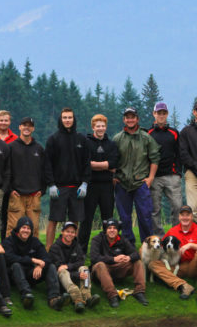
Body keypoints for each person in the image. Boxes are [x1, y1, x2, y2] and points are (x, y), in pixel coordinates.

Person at [44, 108, 91, 250]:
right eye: (64, 117)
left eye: (70, 117)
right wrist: (51, 184)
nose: (67, 120)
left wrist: (85, 183)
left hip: (77, 188)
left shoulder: (82, 139)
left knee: (74, 221)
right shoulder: (53, 139)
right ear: (61, 119)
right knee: (53, 220)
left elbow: (86, 163)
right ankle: (49, 250)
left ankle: (73, 251)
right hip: (59, 188)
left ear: (73, 119)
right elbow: (47, 164)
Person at [149, 205, 197, 306]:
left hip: (195, 266)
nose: (185, 217)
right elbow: (162, 246)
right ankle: (183, 286)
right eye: (182, 215)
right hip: (177, 266)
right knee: (153, 264)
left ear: (192, 216)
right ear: (179, 217)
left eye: (187, 215)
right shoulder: (172, 231)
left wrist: (191, 245)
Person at [112, 107, 160, 245]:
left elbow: (155, 158)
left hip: (141, 183)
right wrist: (114, 176)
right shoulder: (117, 138)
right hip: (122, 184)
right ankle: (129, 248)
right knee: (124, 218)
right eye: (127, 117)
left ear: (137, 119)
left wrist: (150, 178)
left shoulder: (146, 138)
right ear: (124, 119)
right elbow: (113, 159)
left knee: (145, 217)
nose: (130, 119)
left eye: (132, 117)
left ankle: (148, 247)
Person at [2, 216, 67, 310]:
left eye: (28, 228)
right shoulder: (9, 241)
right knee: (16, 265)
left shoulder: (34, 241)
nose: (26, 230)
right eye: (23, 227)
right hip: (14, 275)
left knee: (51, 266)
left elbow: (47, 258)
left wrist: (40, 266)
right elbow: (9, 257)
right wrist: (32, 260)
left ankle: (54, 299)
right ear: (18, 229)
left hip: (31, 274)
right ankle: (26, 296)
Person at [80, 114, 120, 253]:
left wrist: (93, 164)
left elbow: (114, 163)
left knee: (108, 220)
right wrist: (106, 165)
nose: (101, 128)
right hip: (90, 185)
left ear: (106, 127)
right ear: (93, 127)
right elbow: (84, 163)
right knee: (86, 221)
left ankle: (107, 251)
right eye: (98, 126)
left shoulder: (111, 144)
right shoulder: (86, 142)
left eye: (103, 125)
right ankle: (81, 252)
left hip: (107, 186)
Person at [89, 218, 147, 308]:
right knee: (100, 265)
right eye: (109, 228)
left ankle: (139, 292)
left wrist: (129, 257)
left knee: (138, 262)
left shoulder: (122, 239)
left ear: (118, 230)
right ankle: (113, 296)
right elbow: (94, 258)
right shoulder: (97, 239)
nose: (112, 230)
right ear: (105, 230)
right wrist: (113, 259)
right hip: (102, 271)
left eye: (114, 228)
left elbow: (136, 254)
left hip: (119, 269)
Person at [147, 102, 183, 234]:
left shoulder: (174, 133)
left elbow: (179, 153)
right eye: (158, 113)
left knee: (177, 206)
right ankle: (159, 235)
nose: (161, 116)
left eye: (163, 113)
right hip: (154, 177)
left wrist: (179, 172)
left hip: (172, 176)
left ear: (167, 114)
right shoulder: (148, 133)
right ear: (154, 114)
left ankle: (175, 233)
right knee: (155, 209)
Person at [7, 116, 45, 237]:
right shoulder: (11, 147)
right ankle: (9, 254)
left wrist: (43, 190)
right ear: (19, 127)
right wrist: (10, 190)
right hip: (16, 195)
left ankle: (34, 254)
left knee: (33, 229)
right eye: (24, 125)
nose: (26, 128)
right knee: (13, 228)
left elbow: (45, 170)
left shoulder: (39, 148)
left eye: (29, 125)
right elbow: (6, 170)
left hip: (34, 195)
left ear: (33, 128)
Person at [49, 221, 100, 313]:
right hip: (62, 281)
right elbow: (58, 268)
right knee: (62, 271)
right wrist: (76, 274)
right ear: (62, 232)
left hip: (75, 275)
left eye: (72, 232)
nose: (70, 234)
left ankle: (87, 297)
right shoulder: (55, 248)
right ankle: (77, 300)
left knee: (85, 268)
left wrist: (69, 267)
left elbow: (81, 261)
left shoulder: (76, 245)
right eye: (67, 231)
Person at [0, 109, 18, 238]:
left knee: (6, 217)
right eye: (1, 120)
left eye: (6, 120)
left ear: (10, 122)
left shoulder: (15, 139)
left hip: (9, 184)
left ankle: (4, 246)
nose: (3, 123)